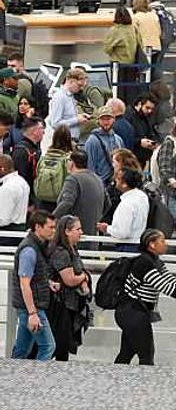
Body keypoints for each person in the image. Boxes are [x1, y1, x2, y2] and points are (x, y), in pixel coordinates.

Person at [115, 229, 176, 364]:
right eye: (162, 241)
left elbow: (171, 281)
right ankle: (145, 383)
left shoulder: (156, 261)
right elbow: (164, 286)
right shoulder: (144, 263)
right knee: (146, 354)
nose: (166, 244)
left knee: (127, 353)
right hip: (131, 312)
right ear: (151, 244)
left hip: (137, 312)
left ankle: (115, 379)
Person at [9, 211, 57, 361]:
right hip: (31, 307)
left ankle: (13, 376)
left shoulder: (37, 246)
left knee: (22, 349)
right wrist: (32, 313)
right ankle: (37, 379)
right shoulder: (29, 250)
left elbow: (33, 276)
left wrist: (48, 283)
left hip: (29, 306)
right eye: (50, 227)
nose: (54, 231)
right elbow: (24, 283)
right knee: (47, 346)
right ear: (38, 227)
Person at [46, 214, 88, 361]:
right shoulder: (61, 252)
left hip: (69, 305)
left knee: (63, 347)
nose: (81, 232)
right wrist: (84, 278)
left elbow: (79, 272)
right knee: (59, 345)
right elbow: (70, 280)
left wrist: (83, 278)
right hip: (60, 306)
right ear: (67, 231)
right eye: (78, 229)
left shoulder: (73, 250)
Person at [54, 151, 103, 237]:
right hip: (93, 234)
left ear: (72, 163)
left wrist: (51, 219)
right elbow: (107, 203)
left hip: (74, 234)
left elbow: (66, 203)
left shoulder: (73, 179)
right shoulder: (97, 179)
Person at [97, 168, 148, 249]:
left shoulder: (127, 204)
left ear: (124, 184)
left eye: (118, 179)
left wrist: (107, 228)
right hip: (138, 241)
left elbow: (122, 232)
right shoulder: (142, 196)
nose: (115, 180)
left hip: (128, 245)